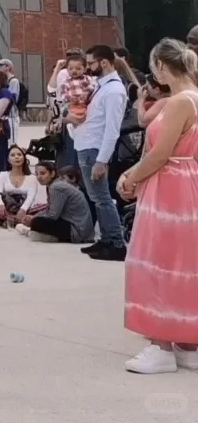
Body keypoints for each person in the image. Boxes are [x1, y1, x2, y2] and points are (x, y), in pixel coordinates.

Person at [115, 38, 198, 374]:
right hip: (187, 183)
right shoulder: (192, 98)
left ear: (162, 66)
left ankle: (161, 345)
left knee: (156, 260)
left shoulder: (178, 102)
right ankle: (187, 344)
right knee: (183, 262)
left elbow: (160, 153)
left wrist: (131, 177)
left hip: (169, 186)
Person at [76, 45, 130, 261]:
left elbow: (112, 129)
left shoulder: (114, 90)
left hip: (95, 148)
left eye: (91, 63)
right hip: (86, 144)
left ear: (104, 62)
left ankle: (116, 242)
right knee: (96, 197)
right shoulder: (101, 86)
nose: (88, 68)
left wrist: (102, 160)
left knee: (102, 198)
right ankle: (107, 239)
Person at [16, 162, 94, 244]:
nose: (39, 177)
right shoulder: (55, 185)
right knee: (36, 219)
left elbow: (52, 215)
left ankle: (41, 235)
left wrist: (33, 219)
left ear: (52, 174)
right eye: (36, 174)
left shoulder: (57, 187)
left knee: (37, 222)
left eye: (42, 173)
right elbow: (49, 209)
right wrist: (34, 216)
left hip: (77, 230)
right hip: (78, 227)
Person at [0, 145, 45, 230]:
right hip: (7, 208)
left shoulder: (31, 178)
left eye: (19, 154)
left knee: (44, 206)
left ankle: (10, 220)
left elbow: (31, 197)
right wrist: (0, 204)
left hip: (26, 209)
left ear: (24, 158)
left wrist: (23, 210)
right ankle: (18, 220)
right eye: (13, 155)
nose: (16, 157)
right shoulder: (2, 175)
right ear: (8, 160)